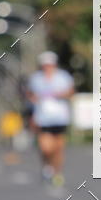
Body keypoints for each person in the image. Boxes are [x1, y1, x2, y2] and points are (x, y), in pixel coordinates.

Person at [27, 51, 74, 186]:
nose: (48, 67)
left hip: (60, 118)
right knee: (46, 148)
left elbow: (71, 92)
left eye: (50, 65)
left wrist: (60, 94)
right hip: (43, 118)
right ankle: (47, 166)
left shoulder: (63, 77)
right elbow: (29, 95)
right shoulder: (36, 79)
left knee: (58, 148)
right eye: (45, 65)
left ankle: (57, 173)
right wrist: (32, 104)